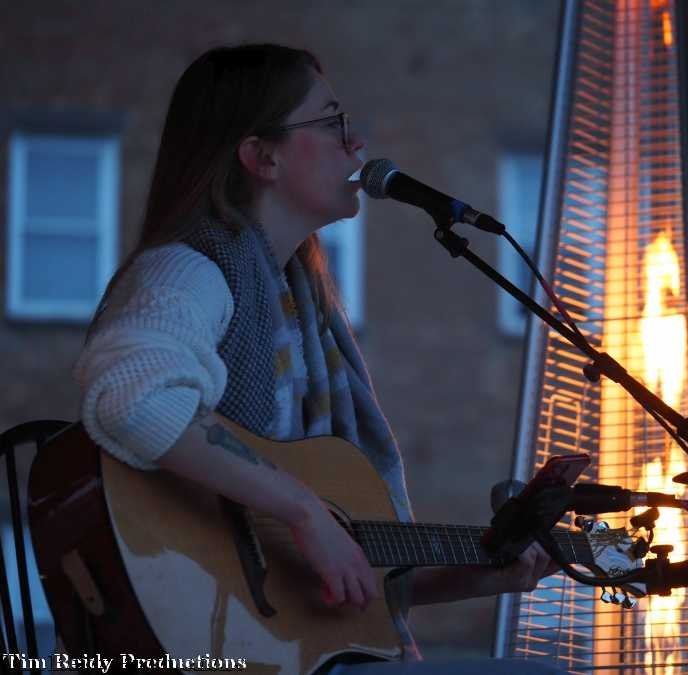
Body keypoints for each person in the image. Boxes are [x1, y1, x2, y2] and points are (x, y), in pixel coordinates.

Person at [74, 43, 564, 674]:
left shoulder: (301, 306)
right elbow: (131, 397)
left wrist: (489, 573)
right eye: (332, 121)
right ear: (263, 156)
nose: (356, 142)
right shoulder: (187, 271)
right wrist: (304, 510)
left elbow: (338, 580)